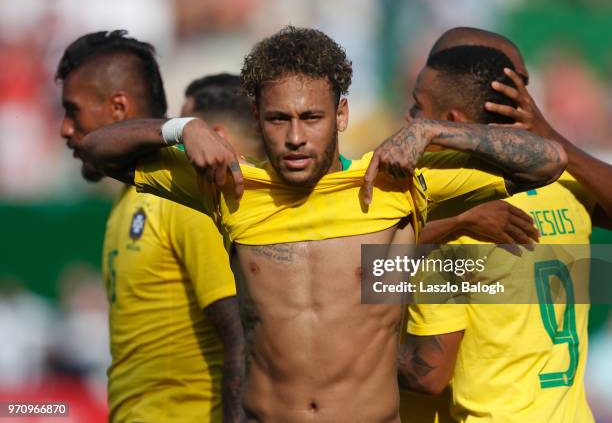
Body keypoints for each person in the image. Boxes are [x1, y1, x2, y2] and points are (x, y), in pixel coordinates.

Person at [77, 26, 566, 422]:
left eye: (311, 117)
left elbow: (547, 161)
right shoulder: (229, 187)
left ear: (342, 115)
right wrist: (181, 128)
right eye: (277, 119)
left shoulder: (396, 180)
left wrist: (434, 129)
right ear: (256, 116)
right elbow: (97, 148)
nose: (294, 137)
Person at [398, 43, 599, 422]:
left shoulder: (458, 218)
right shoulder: (572, 192)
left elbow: (428, 373)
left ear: (450, 121)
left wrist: (344, 351)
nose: (409, 120)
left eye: (418, 108)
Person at [57, 30, 247, 423]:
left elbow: (239, 333)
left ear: (118, 107)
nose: (64, 129)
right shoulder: (127, 203)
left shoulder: (182, 196)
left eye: (72, 111)